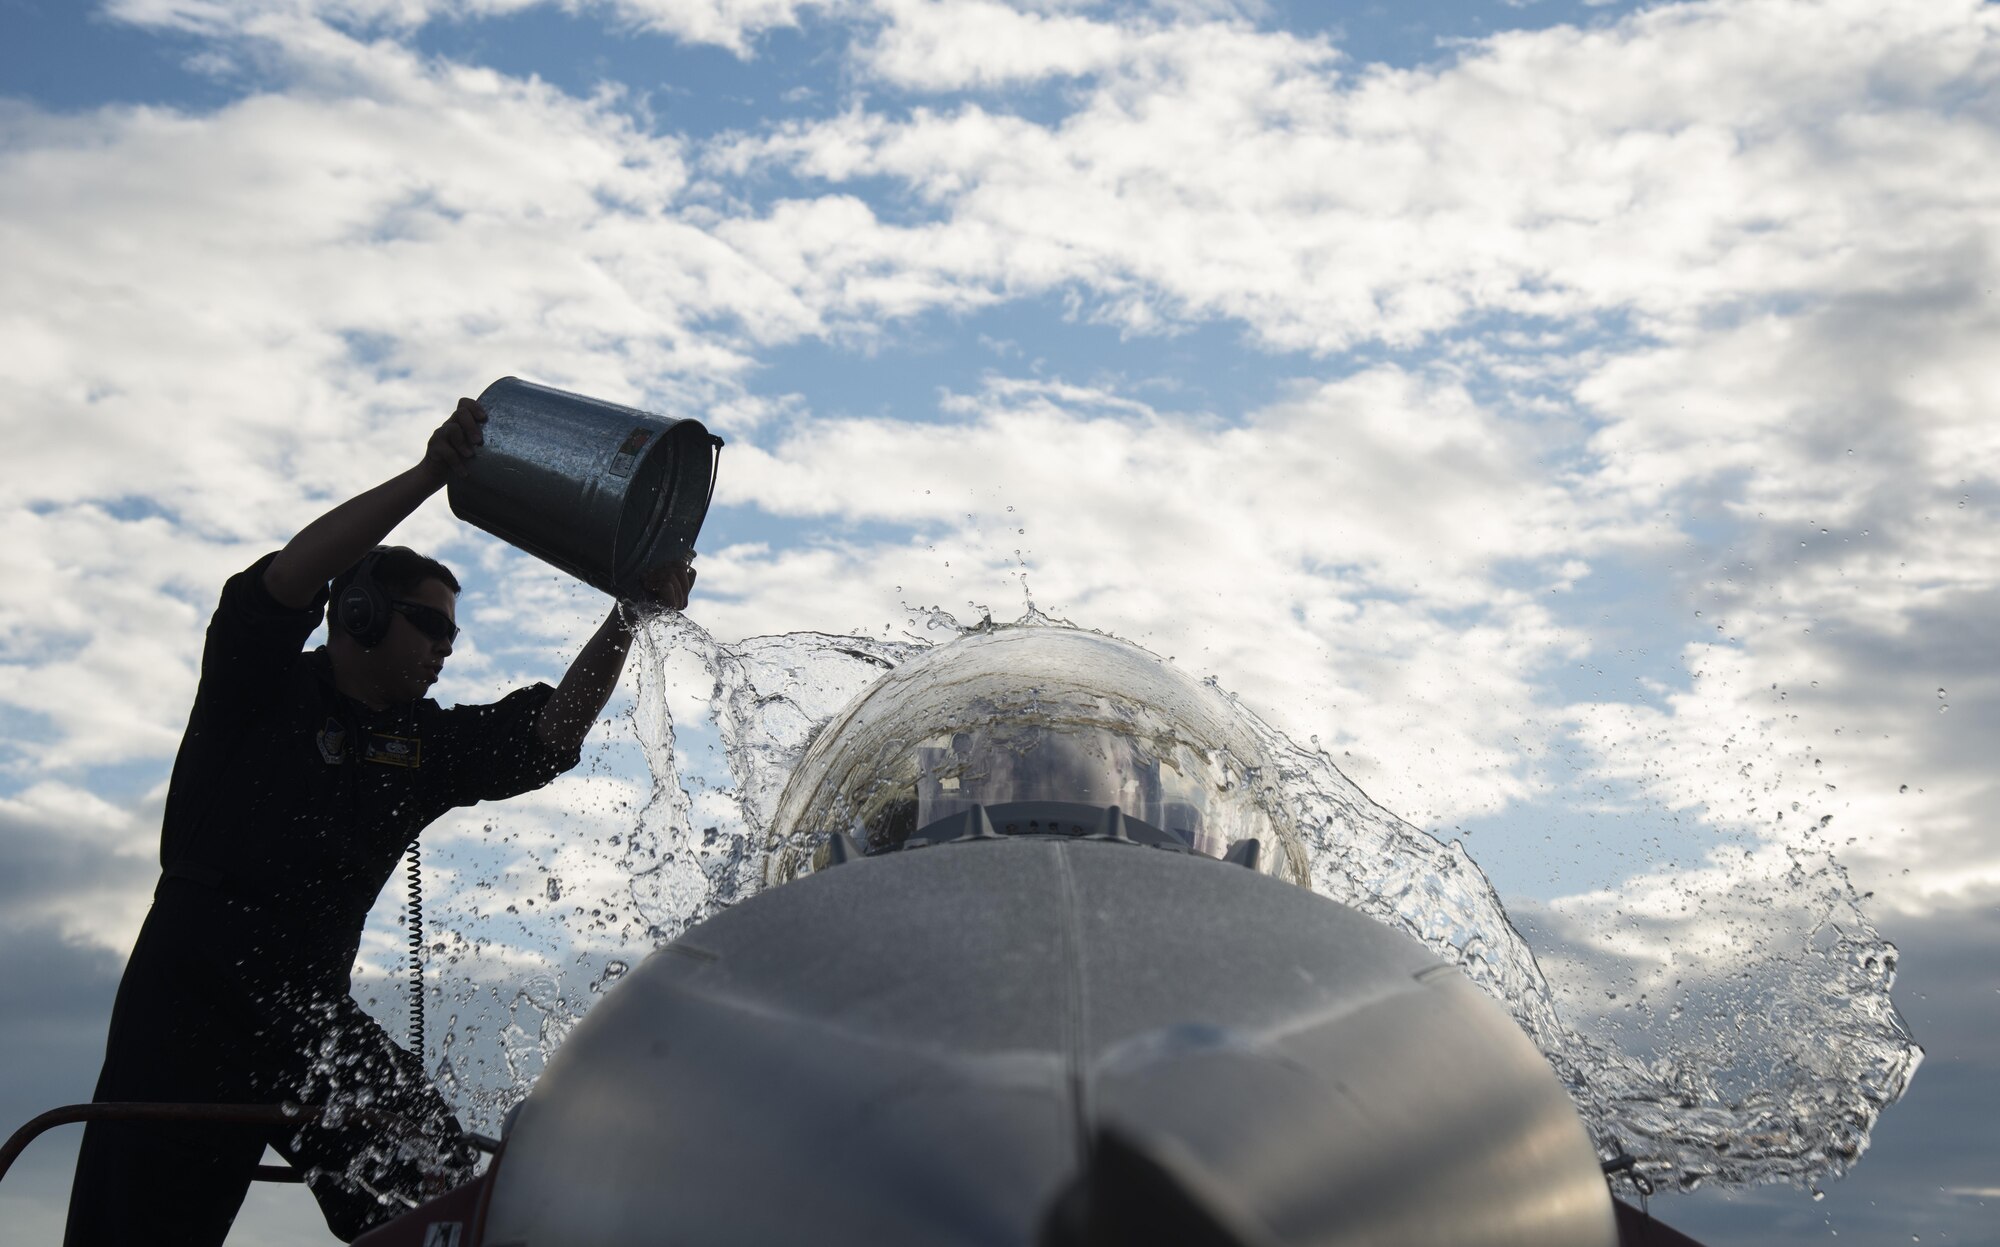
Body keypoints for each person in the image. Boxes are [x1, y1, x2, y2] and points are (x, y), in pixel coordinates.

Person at [64, 397, 694, 1245]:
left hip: (306, 1012)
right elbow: (284, 580)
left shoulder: (419, 743)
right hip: (189, 998)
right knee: (138, 1230)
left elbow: (551, 733)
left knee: (428, 1166)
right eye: (429, 623)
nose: (445, 646)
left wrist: (631, 614)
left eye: (454, 634)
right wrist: (432, 475)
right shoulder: (262, 687)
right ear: (357, 615)